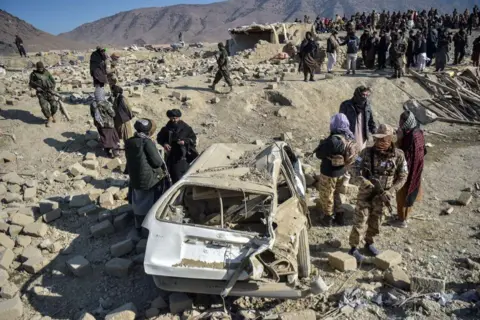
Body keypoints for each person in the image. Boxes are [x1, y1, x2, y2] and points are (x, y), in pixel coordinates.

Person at [348, 124, 408, 261]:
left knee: (377, 221)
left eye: (384, 140)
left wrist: (391, 191)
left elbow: (403, 176)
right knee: (360, 220)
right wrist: (364, 182)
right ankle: (353, 248)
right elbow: (354, 168)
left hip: (383, 196)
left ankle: (369, 243)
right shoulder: (366, 153)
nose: (379, 143)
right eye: (377, 139)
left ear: (391, 139)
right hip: (366, 193)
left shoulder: (399, 155)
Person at [315, 113, 358, 226]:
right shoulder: (349, 137)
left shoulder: (333, 140)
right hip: (343, 171)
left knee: (327, 195)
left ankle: (327, 218)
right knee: (338, 193)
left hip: (329, 172)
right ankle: (340, 217)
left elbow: (319, 155)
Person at [126, 119, 168, 230]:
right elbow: (157, 162)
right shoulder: (147, 142)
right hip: (148, 179)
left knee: (138, 200)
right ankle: (147, 227)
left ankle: (137, 224)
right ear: (149, 131)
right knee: (149, 203)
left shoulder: (130, 141)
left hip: (135, 177)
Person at [395, 111, 426, 228]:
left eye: (402, 122)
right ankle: (404, 216)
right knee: (410, 190)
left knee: (403, 193)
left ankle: (402, 220)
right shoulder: (418, 132)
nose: (400, 124)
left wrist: (399, 139)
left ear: (407, 122)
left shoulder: (409, 137)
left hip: (408, 169)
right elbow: (424, 151)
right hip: (417, 167)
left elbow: (403, 154)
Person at [157, 109, 198, 183]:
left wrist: (184, 142)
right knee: (174, 177)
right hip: (172, 157)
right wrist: (165, 144)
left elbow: (193, 139)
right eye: (172, 118)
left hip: (185, 157)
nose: (173, 120)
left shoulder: (186, 128)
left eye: (175, 118)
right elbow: (159, 138)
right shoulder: (166, 129)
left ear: (179, 117)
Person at [339, 86, 377, 152]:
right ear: (357, 94)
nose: (364, 97)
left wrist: (376, 133)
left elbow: (371, 122)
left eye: (366, 95)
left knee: (360, 158)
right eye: (362, 95)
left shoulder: (367, 106)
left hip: (362, 138)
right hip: (349, 139)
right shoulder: (346, 105)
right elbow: (341, 123)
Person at [90, 91, 120, 158]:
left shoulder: (93, 104)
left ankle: (107, 152)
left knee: (104, 137)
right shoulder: (106, 104)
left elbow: (92, 114)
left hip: (99, 124)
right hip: (108, 125)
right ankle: (115, 153)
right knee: (112, 139)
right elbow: (113, 114)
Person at [29, 62, 59, 127]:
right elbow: (31, 83)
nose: (40, 69)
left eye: (41, 68)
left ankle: (53, 114)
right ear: (37, 68)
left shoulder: (47, 73)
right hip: (41, 93)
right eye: (39, 68)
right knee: (44, 107)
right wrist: (36, 88)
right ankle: (49, 118)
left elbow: (53, 81)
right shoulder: (33, 74)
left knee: (54, 105)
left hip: (49, 92)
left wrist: (52, 89)